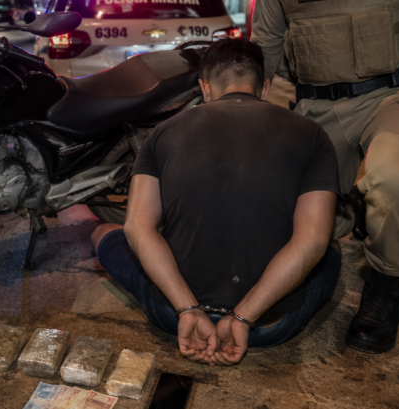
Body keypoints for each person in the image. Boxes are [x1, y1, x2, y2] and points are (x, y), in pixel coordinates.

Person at [91, 39, 341, 366]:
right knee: (331, 248)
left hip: (176, 316)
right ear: (264, 88)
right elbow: (312, 241)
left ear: (204, 89)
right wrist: (242, 318)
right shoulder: (312, 134)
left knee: (102, 233)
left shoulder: (162, 133)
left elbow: (138, 227)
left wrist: (188, 310)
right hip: (268, 325)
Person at [251, 0, 399, 354]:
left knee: (396, 179)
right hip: (316, 104)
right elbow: (265, 44)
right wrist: (239, 109)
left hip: (395, 94)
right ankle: (355, 207)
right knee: (280, 222)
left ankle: (387, 283)